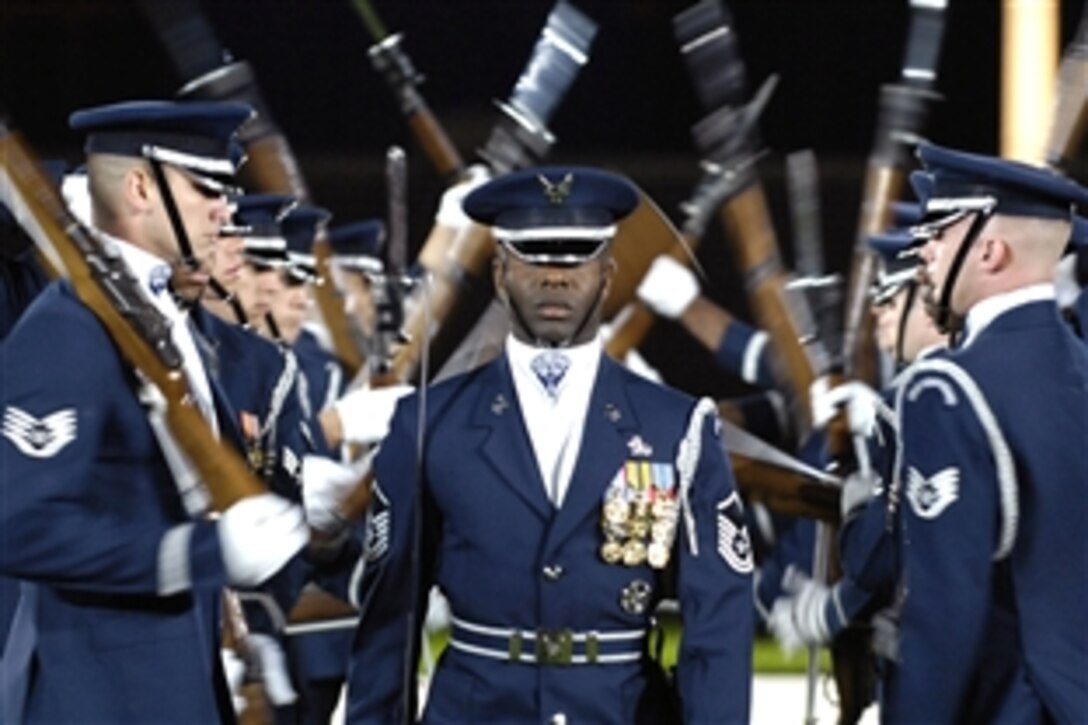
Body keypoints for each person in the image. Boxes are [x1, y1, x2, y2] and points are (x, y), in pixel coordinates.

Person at [347, 166, 754, 723]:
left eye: (576, 257)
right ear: (499, 273)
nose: (555, 276)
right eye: (534, 256)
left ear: (608, 274)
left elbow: (720, 625)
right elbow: (389, 621)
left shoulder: (677, 426)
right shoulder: (428, 424)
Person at [0, 99, 308, 722]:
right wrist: (195, 553)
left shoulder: (174, 327)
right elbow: (17, 525)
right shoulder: (68, 327)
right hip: (98, 698)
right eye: (206, 187)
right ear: (140, 188)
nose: (226, 209)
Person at [883, 143, 1088, 722]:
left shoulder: (946, 390)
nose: (923, 252)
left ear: (990, 251)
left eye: (939, 232)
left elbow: (945, 610)